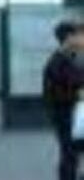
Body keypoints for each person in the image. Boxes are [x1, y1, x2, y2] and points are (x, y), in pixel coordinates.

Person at [43, 21, 84, 180]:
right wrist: (78, 95)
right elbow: (54, 95)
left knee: (72, 154)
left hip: (75, 115)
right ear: (69, 38)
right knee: (69, 155)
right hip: (66, 116)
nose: (82, 39)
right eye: (79, 35)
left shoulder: (73, 58)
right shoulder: (57, 62)